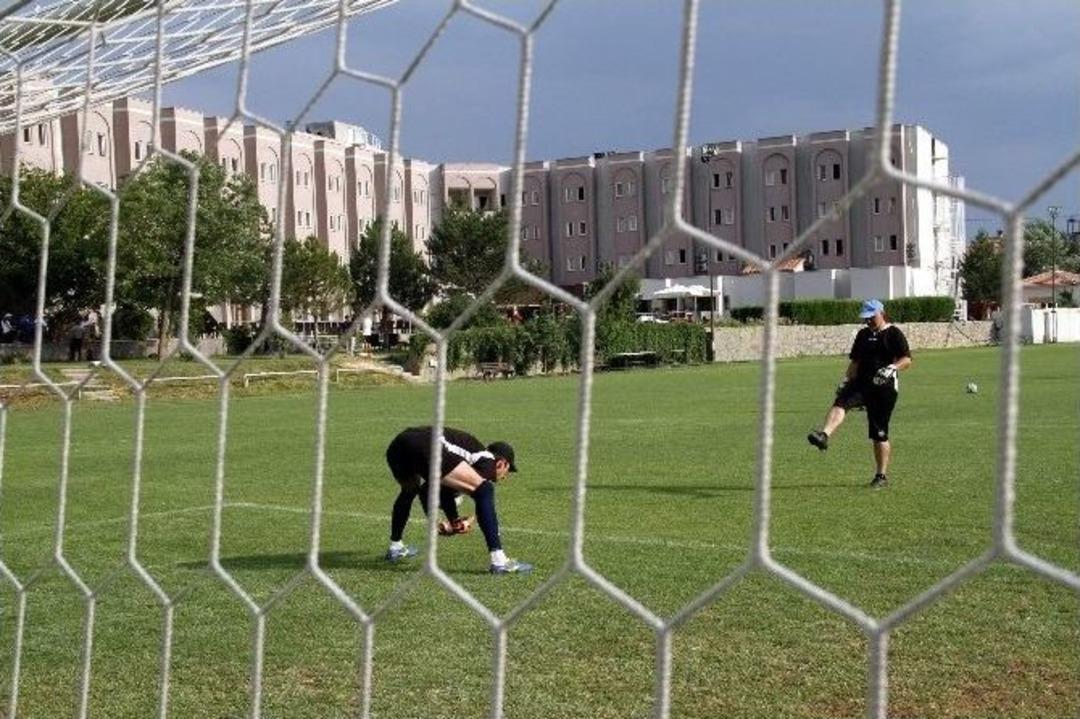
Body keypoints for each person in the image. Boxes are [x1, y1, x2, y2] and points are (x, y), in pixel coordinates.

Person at [384, 425, 532, 574]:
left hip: (399, 445)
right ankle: (499, 561)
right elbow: (479, 493)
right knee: (485, 490)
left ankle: (396, 546)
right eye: (507, 471)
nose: (505, 477)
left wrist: (453, 521)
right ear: (502, 463)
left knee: (410, 490)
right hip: (426, 443)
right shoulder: (487, 460)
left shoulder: (468, 458)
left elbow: (428, 490)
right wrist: (464, 519)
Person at [807, 299, 912, 489]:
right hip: (860, 383)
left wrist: (892, 367)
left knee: (878, 434)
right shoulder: (863, 335)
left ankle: (881, 476)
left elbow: (906, 359)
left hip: (883, 388)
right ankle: (824, 435)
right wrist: (846, 380)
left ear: (881, 313)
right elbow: (855, 362)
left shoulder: (894, 333)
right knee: (840, 404)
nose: (869, 321)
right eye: (866, 318)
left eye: (872, 317)